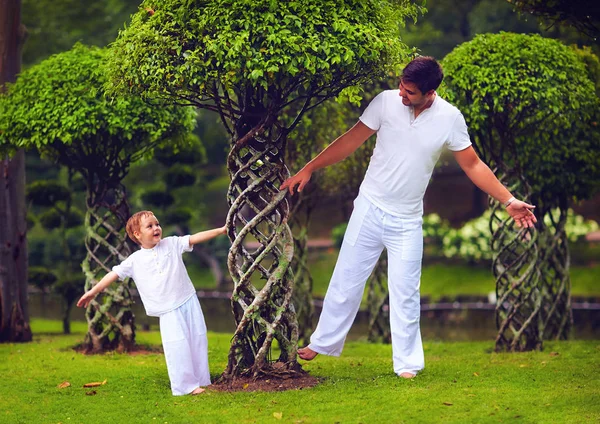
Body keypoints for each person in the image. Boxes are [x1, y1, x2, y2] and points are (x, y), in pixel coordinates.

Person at [280, 56, 537, 379]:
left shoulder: (450, 118)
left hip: (407, 221)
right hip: (370, 207)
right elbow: (350, 140)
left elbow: (472, 164)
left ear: (430, 92)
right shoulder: (385, 102)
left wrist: (508, 200)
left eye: (410, 91)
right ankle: (322, 342)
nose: (402, 94)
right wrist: (310, 168)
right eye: (401, 86)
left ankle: (407, 364)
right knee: (346, 279)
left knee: (405, 292)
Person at [77, 211, 227, 395]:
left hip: (188, 299)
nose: (156, 228)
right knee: (177, 346)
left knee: (198, 340)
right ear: (137, 235)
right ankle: (186, 386)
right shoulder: (134, 260)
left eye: (157, 224)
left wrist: (221, 230)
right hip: (168, 309)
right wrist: (93, 292)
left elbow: (194, 238)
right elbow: (113, 274)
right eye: (150, 226)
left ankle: (202, 379)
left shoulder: (172, 243)